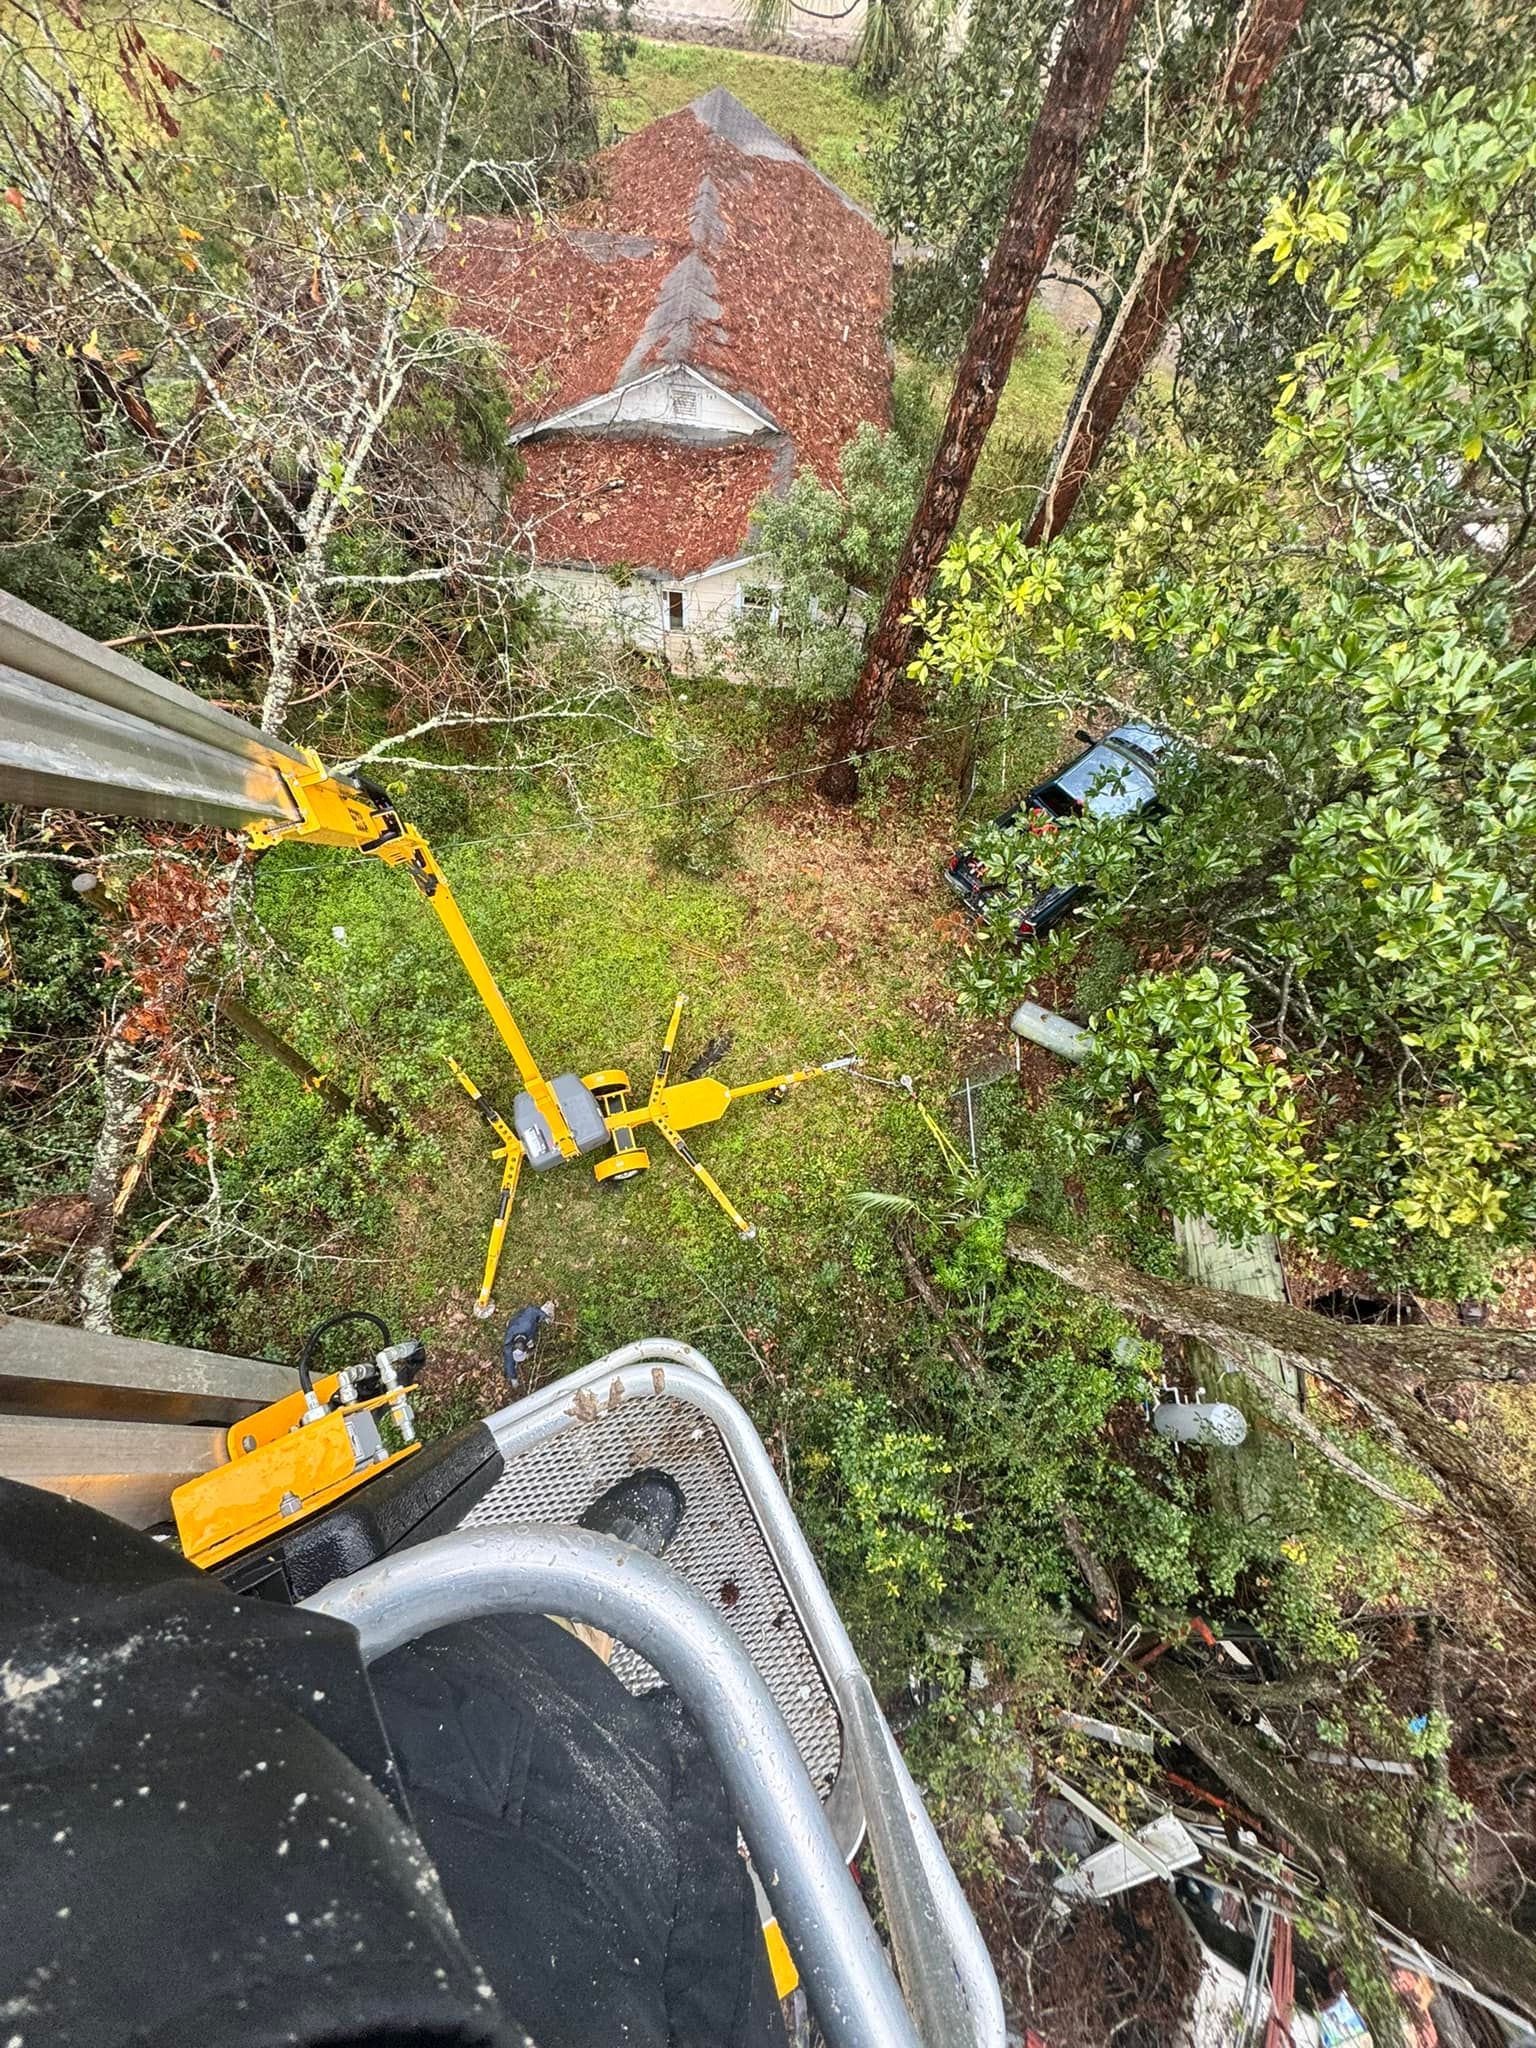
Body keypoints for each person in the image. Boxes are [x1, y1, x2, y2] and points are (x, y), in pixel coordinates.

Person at [0, 1471, 785, 2048]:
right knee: (542, 1707)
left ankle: (575, 1610)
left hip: (325, 1822)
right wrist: (696, 1783)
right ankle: (586, 1615)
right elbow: (718, 1985)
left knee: (487, 1683)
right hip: (573, 1916)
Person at [503, 1300, 556, 1388]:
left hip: (521, 1321)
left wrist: (544, 1316)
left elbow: (531, 1309)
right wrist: (513, 1378)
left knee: (537, 1316)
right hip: (515, 1325)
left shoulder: (527, 1323)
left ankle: (545, 1310)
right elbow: (509, 1363)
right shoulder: (508, 1345)